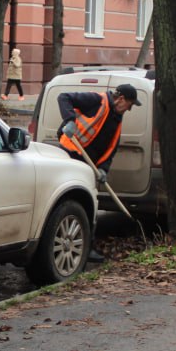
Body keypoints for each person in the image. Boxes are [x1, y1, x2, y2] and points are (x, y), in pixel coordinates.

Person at [57, 83, 141, 261]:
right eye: (130, 104)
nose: (130, 109)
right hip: (71, 154)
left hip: (89, 165)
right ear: (121, 99)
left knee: (89, 205)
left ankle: (86, 248)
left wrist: (103, 169)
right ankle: (69, 245)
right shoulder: (97, 100)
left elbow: (111, 148)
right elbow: (64, 97)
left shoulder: (116, 118)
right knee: (71, 203)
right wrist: (69, 120)